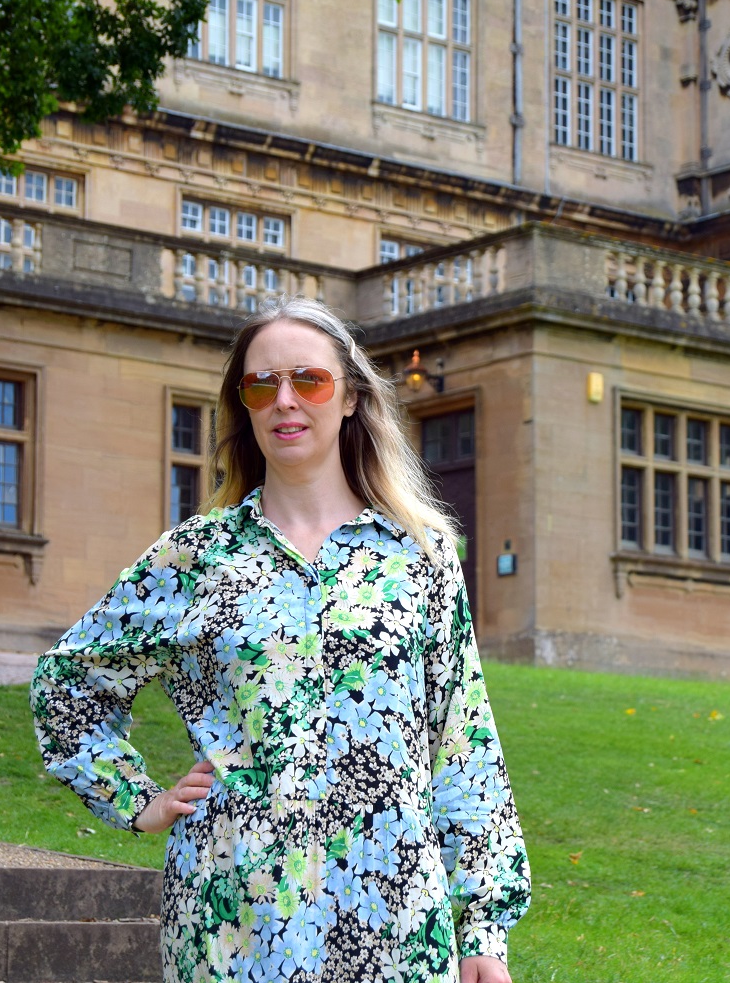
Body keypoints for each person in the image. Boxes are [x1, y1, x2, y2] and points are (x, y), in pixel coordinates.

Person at [31, 295, 531, 983]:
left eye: (308, 379)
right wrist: (139, 799)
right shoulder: (196, 558)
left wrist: (484, 930)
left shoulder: (419, 555)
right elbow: (67, 683)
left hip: (395, 920)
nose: (284, 401)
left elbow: (463, 739)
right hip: (235, 921)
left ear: (351, 396)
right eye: (261, 384)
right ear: (244, 406)